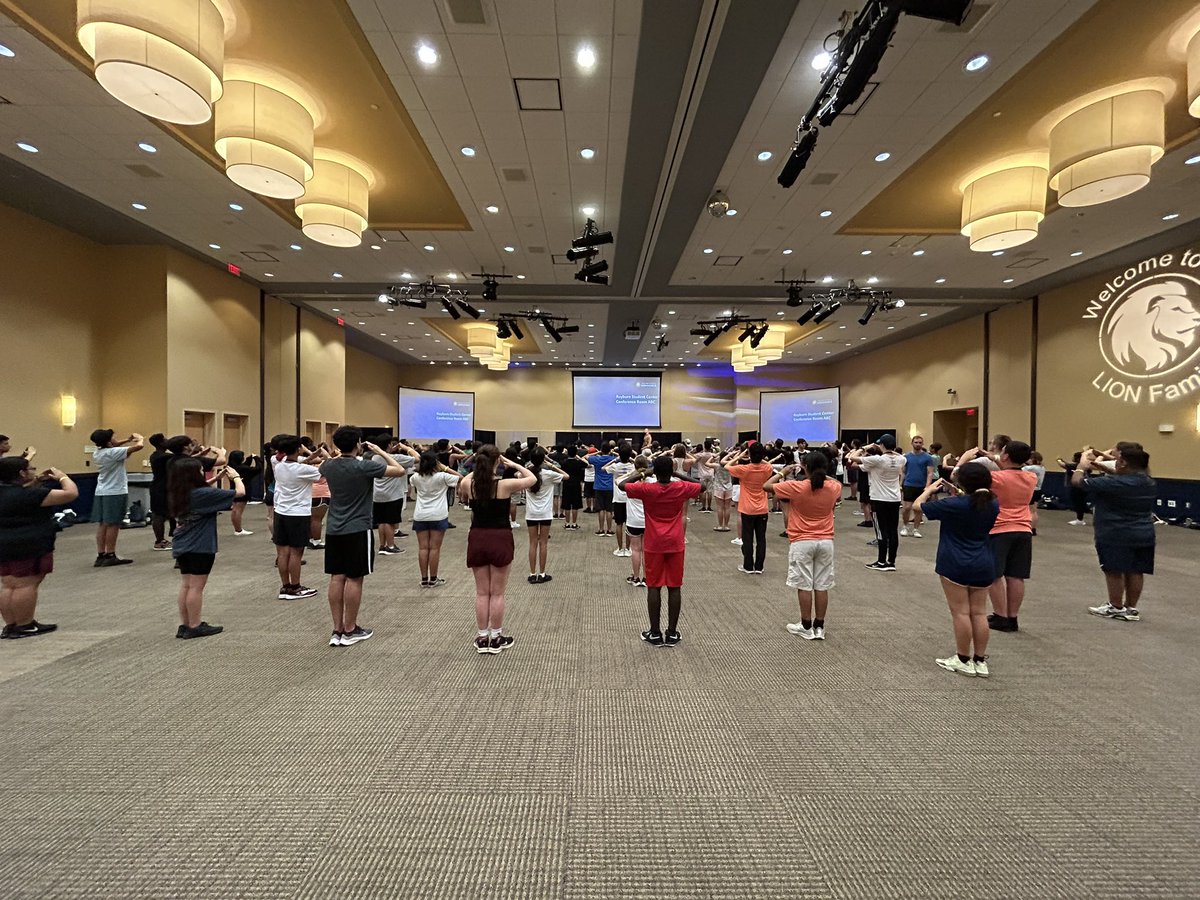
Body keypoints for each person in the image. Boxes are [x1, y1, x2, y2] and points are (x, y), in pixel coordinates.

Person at [319, 428, 408, 648]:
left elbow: (327, 462)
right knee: (355, 578)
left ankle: (337, 628)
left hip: (333, 529)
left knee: (336, 577)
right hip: (358, 528)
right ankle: (350, 628)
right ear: (358, 443)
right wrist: (379, 450)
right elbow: (399, 470)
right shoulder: (364, 466)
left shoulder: (328, 465)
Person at [914, 463, 999, 678]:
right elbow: (973, 500)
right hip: (984, 562)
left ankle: (962, 658)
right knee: (979, 612)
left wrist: (929, 490)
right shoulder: (993, 504)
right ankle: (979, 660)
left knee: (960, 612)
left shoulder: (954, 504)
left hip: (955, 562)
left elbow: (917, 507)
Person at [457, 445, 537, 654]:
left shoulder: (469, 485)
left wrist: (481, 462)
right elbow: (532, 479)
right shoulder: (505, 485)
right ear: (497, 461)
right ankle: (496, 637)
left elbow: (467, 478)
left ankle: (482, 637)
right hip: (500, 537)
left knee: (482, 593)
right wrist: (513, 463)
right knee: (498, 593)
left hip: (477, 538)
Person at [620, 457, 702, 646]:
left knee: (654, 586)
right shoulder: (680, 488)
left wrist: (643, 473)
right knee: (674, 586)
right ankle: (672, 633)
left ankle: (655, 632)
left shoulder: (648, 489)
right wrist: (676, 474)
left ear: (654, 472)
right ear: (671, 471)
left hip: (654, 543)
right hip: (675, 542)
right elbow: (700, 486)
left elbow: (623, 485)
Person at [957, 441, 1036, 633]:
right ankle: (1012, 616)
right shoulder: (1030, 477)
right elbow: (1013, 473)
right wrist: (994, 458)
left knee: (994, 575)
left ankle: (1000, 615)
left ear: (1006, 456)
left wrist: (964, 460)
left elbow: (961, 477)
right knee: (1016, 575)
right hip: (1023, 528)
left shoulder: (996, 478)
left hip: (1000, 528)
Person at [765, 451, 842, 640]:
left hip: (802, 540)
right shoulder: (833, 487)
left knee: (804, 584)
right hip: (825, 541)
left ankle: (806, 625)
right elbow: (836, 483)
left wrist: (783, 471)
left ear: (805, 467)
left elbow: (767, 486)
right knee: (822, 584)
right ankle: (819, 626)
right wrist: (822, 472)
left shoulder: (796, 487)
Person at [1074, 445, 1156, 622]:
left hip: (1115, 532)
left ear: (1124, 463)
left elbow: (1078, 482)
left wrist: (1082, 465)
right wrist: (1098, 461)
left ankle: (1115, 606)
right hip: (1143, 533)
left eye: (1118, 460)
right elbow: (1118, 471)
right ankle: (1131, 608)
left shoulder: (1114, 483)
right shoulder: (1147, 480)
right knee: (1136, 570)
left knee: (1113, 569)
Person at [0, 457, 77, 638]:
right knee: (26, 584)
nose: (34, 471)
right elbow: (70, 494)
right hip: (28, 543)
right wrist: (63, 477)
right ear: (21, 473)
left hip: (4, 543)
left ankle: (11, 624)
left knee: (9, 584)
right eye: (31, 468)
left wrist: (36, 481)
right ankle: (25, 624)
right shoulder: (31, 495)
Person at [168, 457, 243, 639]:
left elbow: (205, 489)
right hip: (200, 545)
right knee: (196, 587)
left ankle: (185, 624)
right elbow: (240, 493)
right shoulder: (201, 494)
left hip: (182, 543)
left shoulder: (178, 492)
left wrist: (216, 479)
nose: (203, 473)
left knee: (186, 585)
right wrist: (236, 477)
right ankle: (195, 625)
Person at [270, 435, 322, 601]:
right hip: (298, 514)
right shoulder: (302, 470)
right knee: (296, 553)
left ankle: (285, 586)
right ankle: (296, 586)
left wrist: (311, 456)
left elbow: (303, 462)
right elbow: (323, 472)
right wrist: (325, 456)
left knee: (283, 552)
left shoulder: (278, 465)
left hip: (281, 512)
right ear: (298, 449)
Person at [89, 428, 145, 567]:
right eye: (114, 437)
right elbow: (139, 447)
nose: (116, 439)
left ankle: (101, 554)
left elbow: (115, 445)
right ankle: (111, 554)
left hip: (101, 491)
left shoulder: (98, 452)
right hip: (115, 492)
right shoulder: (113, 452)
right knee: (114, 524)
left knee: (103, 523)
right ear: (109, 442)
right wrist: (139, 438)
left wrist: (127, 439)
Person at [849, 436, 904, 572]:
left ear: (883, 445)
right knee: (892, 530)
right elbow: (898, 455)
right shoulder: (901, 459)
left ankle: (881, 561)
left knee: (881, 531)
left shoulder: (878, 460)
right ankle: (891, 561)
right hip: (895, 499)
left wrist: (864, 447)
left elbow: (852, 457)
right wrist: (885, 448)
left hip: (880, 499)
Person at [410, 450, 461, 587]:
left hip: (420, 515)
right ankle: (433, 578)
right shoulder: (443, 476)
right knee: (434, 549)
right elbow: (460, 477)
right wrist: (444, 467)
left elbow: (414, 482)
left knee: (422, 548)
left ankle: (424, 579)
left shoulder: (415, 478)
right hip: (438, 515)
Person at [724, 443, 774, 574]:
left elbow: (727, 465)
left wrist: (740, 455)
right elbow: (769, 464)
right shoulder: (767, 468)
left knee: (747, 538)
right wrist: (759, 457)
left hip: (747, 508)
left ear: (750, 455)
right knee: (761, 539)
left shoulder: (744, 469)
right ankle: (759, 567)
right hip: (762, 508)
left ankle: (748, 566)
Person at [524, 446, 566, 584]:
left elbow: (517, 474)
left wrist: (529, 467)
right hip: (546, 513)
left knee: (532, 543)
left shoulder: (527, 475)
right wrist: (551, 466)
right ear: (543, 460)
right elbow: (566, 476)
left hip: (531, 513)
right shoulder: (548, 474)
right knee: (543, 543)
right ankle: (542, 574)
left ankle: (532, 573)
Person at [374, 437, 417, 556]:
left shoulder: (374, 457)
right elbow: (417, 458)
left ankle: (382, 546)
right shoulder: (396, 458)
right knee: (390, 521)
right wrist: (407, 447)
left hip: (378, 494)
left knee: (381, 521)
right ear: (389, 445)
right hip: (392, 494)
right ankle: (391, 546)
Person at [900, 435, 936, 538]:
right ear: (912, 443)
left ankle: (916, 529)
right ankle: (905, 526)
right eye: (916, 442)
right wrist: (900, 484)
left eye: (920, 442)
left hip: (921, 486)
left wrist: (927, 486)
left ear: (922, 444)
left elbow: (930, 473)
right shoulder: (906, 457)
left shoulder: (927, 457)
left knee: (919, 509)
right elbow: (903, 472)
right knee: (907, 507)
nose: (918, 444)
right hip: (908, 484)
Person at [624, 454, 651, 587]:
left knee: (635, 550)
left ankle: (635, 577)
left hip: (633, 521)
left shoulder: (629, 482)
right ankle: (646, 578)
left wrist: (632, 473)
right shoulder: (652, 482)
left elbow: (618, 481)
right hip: (648, 521)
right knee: (646, 550)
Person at [605, 444, 636, 559]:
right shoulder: (633, 467)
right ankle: (628, 548)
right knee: (628, 524)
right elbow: (642, 463)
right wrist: (630, 459)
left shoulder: (615, 466)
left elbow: (603, 468)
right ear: (629, 455)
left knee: (619, 524)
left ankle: (619, 548)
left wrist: (615, 459)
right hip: (630, 498)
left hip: (618, 499)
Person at [301, 436, 330, 550]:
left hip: (310, 493)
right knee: (317, 520)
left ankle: (310, 539)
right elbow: (331, 459)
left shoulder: (307, 464)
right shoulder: (323, 464)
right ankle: (316, 541)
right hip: (322, 493)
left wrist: (310, 452)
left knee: (311, 519)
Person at [226, 450, 261, 536]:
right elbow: (257, 469)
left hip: (234, 489)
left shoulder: (231, 467)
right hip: (243, 490)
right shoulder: (242, 469)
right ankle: (239, 530)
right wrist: (256, 458)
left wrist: (249, 459)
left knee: (235, 510)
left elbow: (245, 465)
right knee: (238, 510)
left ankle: (237, 529)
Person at [587, 442, 617, 536]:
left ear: (601, 450)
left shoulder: (596, 459)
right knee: (609, 509)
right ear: (610, 450)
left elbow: (586, 456)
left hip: (598, 486)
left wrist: (597, 452)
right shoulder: (613, 459)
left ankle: (600, 529)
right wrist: (614, 453)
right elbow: (623, 457)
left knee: (600, 509)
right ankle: (609, 529)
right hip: (610, 487)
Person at [1058, 452, 1090, 525]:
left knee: (1078, 503)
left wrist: (1058, 459)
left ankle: (1080, 519)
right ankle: (1080, 518)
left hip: (1076, 487)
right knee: (1081, 502)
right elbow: (1068, 465)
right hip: (1083, 486)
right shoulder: (1084, 466)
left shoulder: (1073, 466)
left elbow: (1062, 465)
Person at [560, 445, 586, 531]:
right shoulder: (578, 462)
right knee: (575, 505)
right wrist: (579, 458)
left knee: (567, 505)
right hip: (576, 485)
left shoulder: (563, 462)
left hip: (566, 485)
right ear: (576, 453)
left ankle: (567, 524)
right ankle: (574, 524)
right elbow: (587, 464)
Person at [1023, 451, 1046, 535]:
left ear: (1033, 459)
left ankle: (1031, 528)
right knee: (1034, 510)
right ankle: (1033, 528)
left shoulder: (1032, 468)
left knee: (1030, 511)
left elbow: (1022, 469)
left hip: (1032, 490)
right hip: (1038, 490)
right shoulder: (1042, 468)